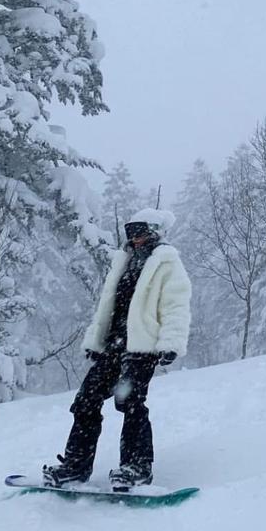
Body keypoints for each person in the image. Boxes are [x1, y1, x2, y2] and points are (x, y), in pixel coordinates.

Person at [42, 208, 192, 490]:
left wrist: (170, 343)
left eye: (140, 232)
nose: (134, 238)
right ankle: (76, 466)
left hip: (142, 347)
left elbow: (176, 306)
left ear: (154, 231)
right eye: (130, 232)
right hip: (113, 346)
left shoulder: (166, 263)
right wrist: (95, 340)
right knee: (86, 400)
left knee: (131, 403)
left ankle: (136, 467)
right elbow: (106, 306)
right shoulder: (124, 261)